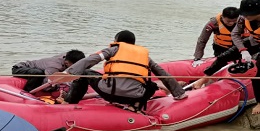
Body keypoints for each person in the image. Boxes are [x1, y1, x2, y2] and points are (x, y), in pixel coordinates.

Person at [55, 30, 186, 110]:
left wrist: (68, 73)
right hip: (134, 97)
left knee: (84, 73)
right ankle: (135, 106)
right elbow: (162, 74)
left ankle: (69, 103)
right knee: (150, 85)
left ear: (117, 41)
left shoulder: (113, 49)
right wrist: (179, 93)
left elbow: (90, 60)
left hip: (110, 93)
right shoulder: (145, 57)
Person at [12, 50, 86, 94]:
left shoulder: (66, 56)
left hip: (38, 69)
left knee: (40, 71)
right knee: (38, 73)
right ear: (67, 62)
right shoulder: (54, 67)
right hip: (19, 68)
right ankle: (26, 93)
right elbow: (46, 86)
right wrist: (58, 87)